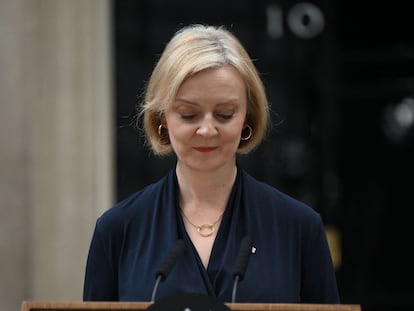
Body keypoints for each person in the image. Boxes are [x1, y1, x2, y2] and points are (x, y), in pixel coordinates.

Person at [83, 24, 340, 303]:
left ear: (247, 119)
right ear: (162, 119)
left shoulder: (299, 227)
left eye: (225, 114)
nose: (207, 130)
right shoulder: (118, 229)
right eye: (189, 114)